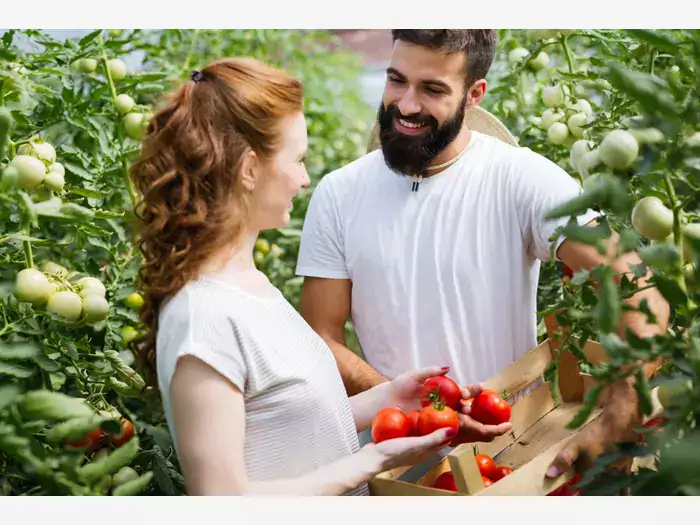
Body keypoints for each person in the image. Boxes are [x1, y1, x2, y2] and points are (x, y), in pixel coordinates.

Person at [295, 29, 670, 480]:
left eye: (432, 89)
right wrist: (408, 403)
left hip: (513, 455)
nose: (407, 105)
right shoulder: (339, 193)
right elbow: (322, 337)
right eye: (397, 80)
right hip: (397, 465)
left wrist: (620, 417)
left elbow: (637, 289)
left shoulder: (522, 179)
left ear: (474, 94)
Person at [128, 57, 467, 496]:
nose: (305, 179)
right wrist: (370, 460)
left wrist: (389, 399)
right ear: (249, 169)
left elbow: (288, 424)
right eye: (298, 158)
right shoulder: (204, 318)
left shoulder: (250, 285)